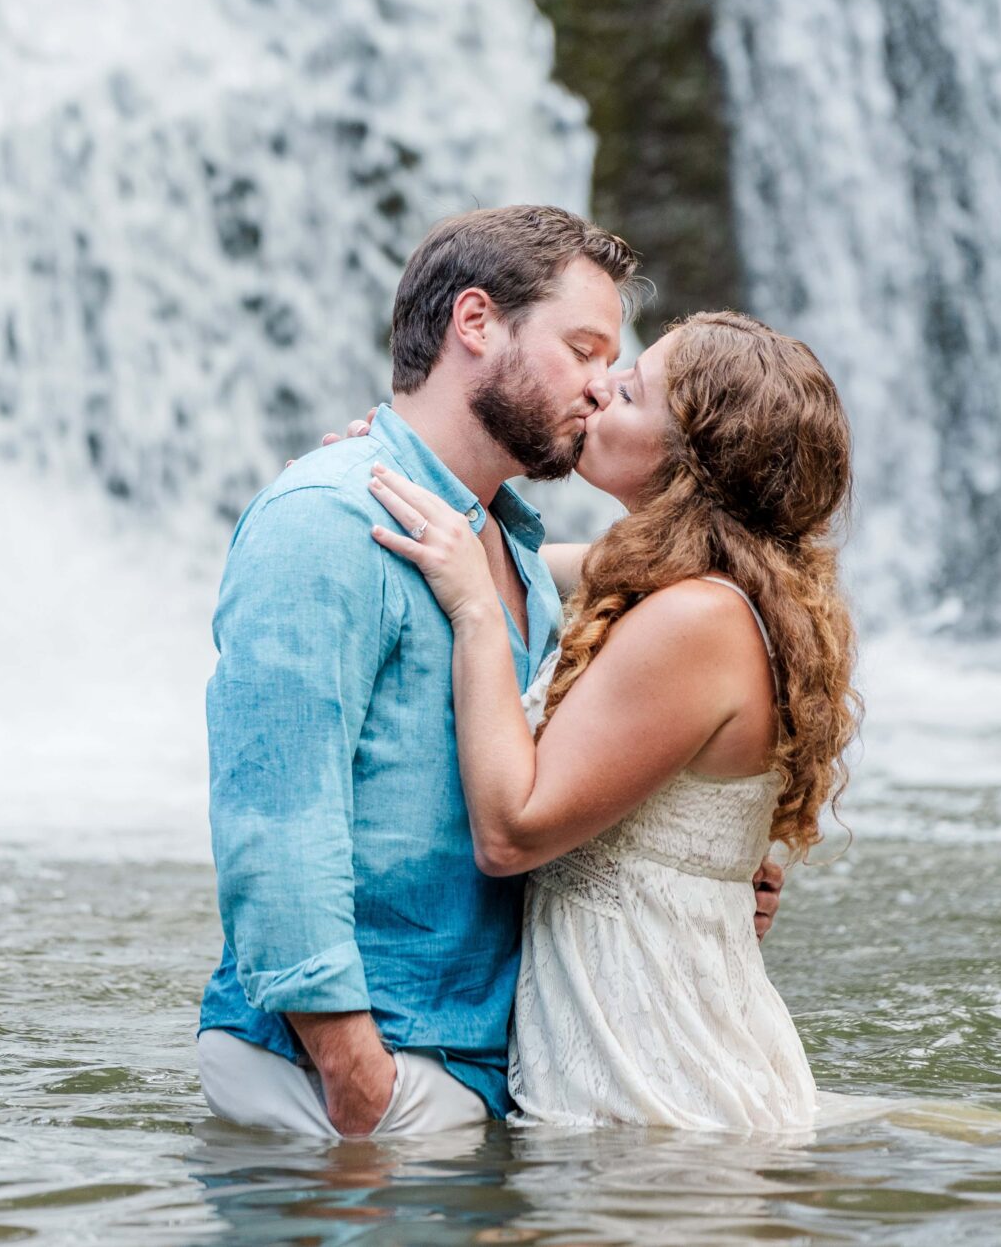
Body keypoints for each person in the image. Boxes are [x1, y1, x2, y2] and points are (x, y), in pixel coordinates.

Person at [195, 206, 779, 1139]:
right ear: (476, 323)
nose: (601, 387)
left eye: (614, 364)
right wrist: (355, 1077)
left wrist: (708, 871)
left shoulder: (504, 542)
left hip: (486, 1065)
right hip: (360, 1072)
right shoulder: (326, 521)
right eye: (584, 349)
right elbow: (275, 819)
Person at [367, 311, 858, 1128]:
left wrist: (476, 615)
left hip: (658, 1096)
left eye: (628, 391)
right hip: (649, 1072)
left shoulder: (695, 619)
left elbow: (512, 831)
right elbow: (504, 554)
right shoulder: (704, 582)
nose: (598, 386)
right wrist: (397, 463)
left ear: (693, 459)